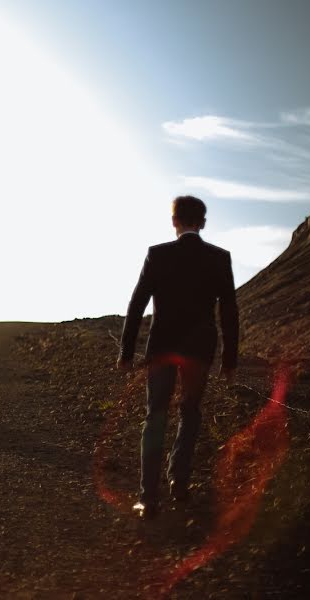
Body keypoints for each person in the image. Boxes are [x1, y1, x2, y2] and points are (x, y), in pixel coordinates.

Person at [118, 195, 239, 519]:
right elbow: (229, 310)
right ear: (202, 223)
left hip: (162, 348)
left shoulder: (158, 255)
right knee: (190, 411)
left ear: (174, 221)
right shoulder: (219, 258)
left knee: (155, 415)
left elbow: (137, 303)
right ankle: (179, 480)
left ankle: (148, 498)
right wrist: (230, 358)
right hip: (200, 350)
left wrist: (126, 352)